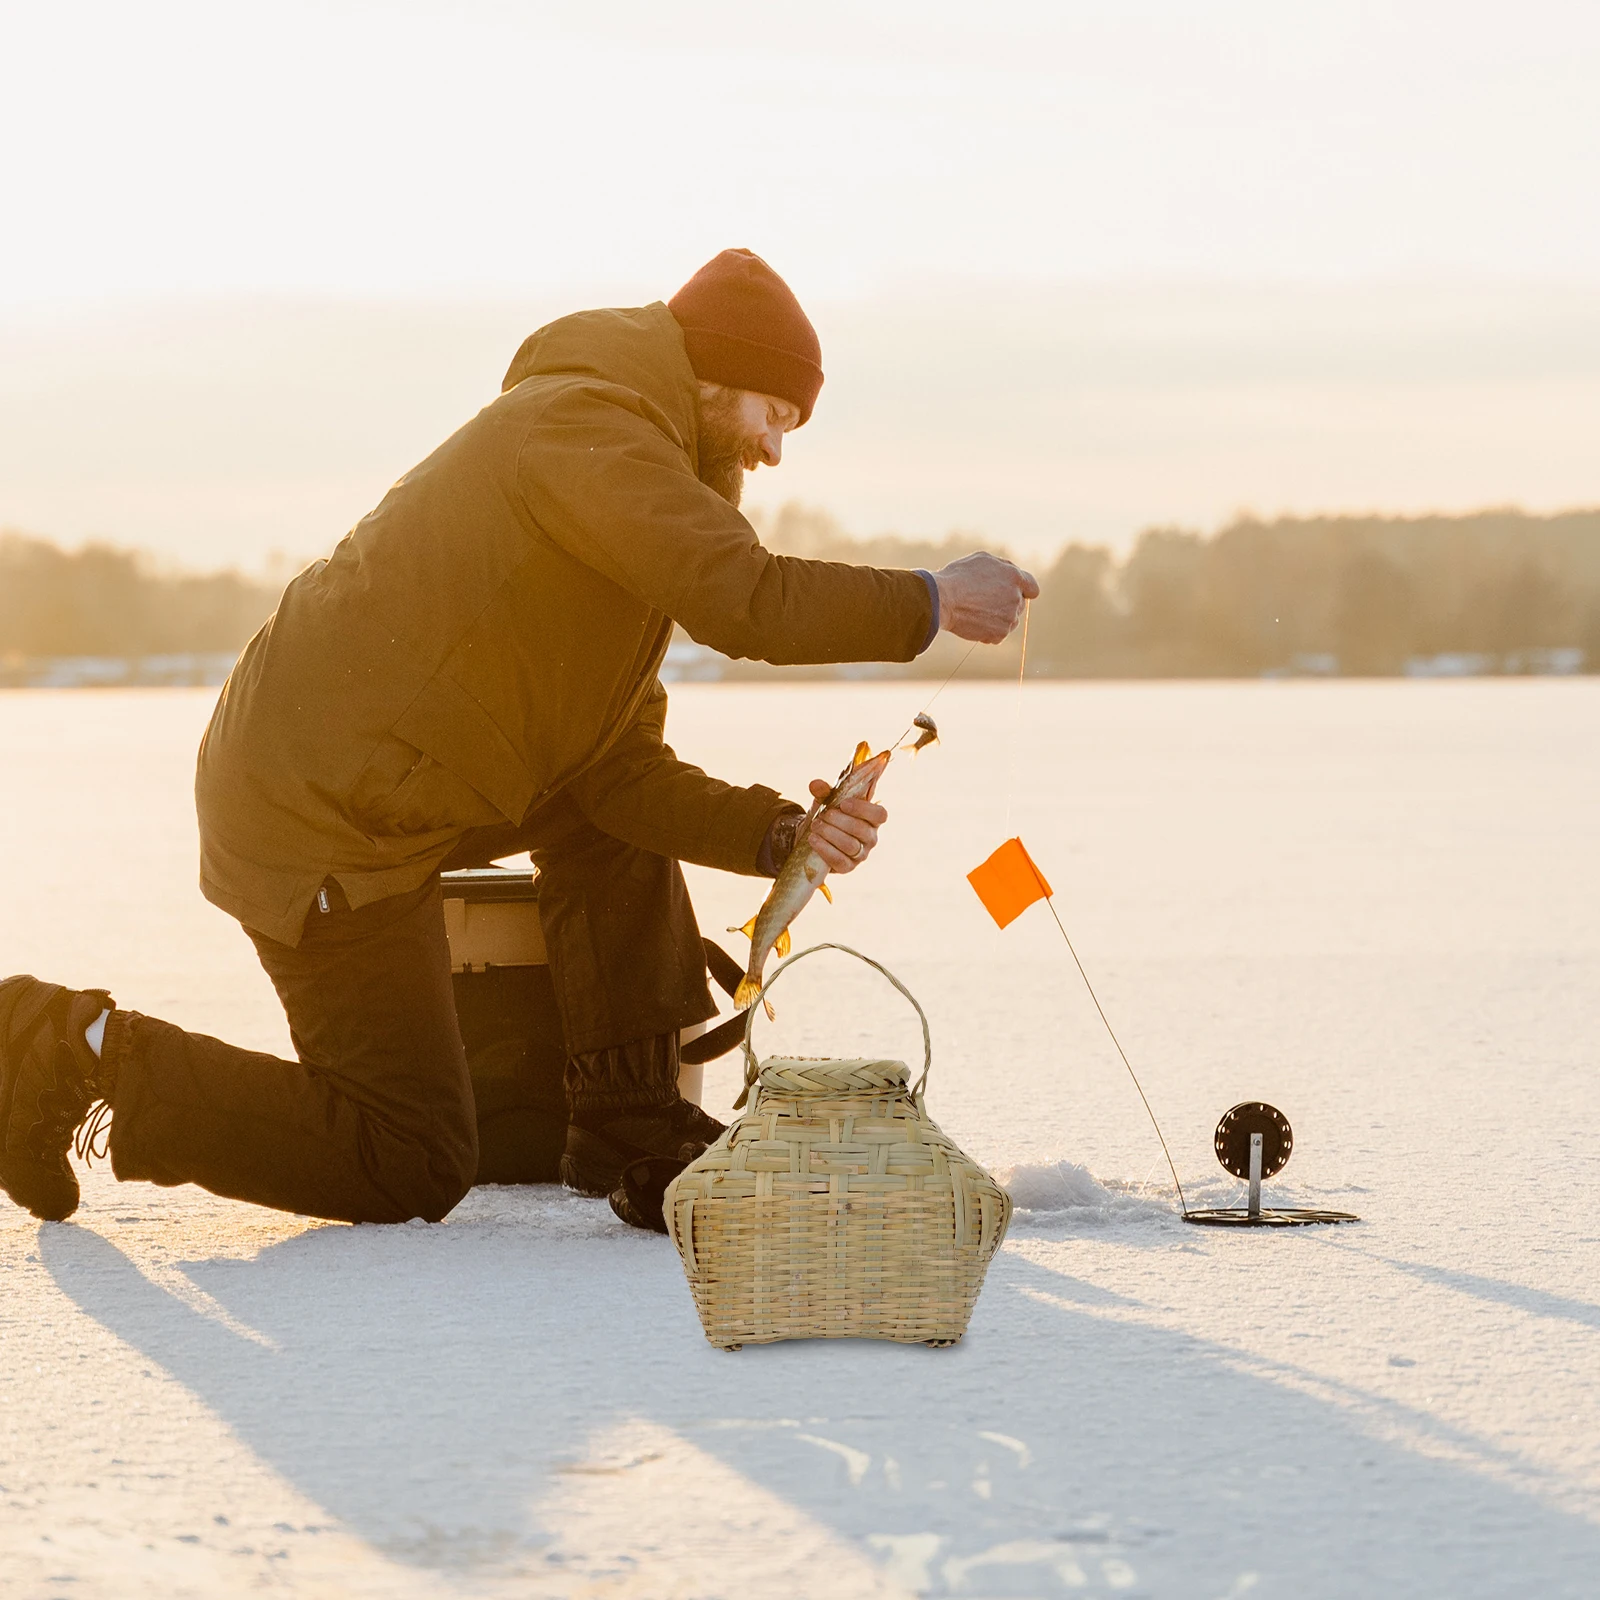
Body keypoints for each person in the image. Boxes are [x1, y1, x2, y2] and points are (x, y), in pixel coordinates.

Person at [0, 248, 1037, 1230]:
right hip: (319, 812)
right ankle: (64, 1045)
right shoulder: (582, 427)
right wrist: (931, 599)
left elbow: (615, 770)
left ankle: (628, 1119)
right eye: (775, 413)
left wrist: (781, 836)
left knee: (598, 813)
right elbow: (749, 602)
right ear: (720, 377)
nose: (774, 447)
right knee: (406, 1157)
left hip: (410, 789)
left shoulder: (637, 484)